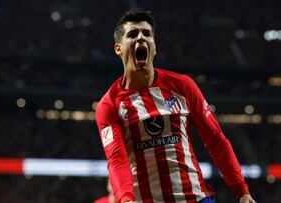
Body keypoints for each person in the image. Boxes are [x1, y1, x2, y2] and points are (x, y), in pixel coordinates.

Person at [95, 10, 256, 203]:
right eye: (132, 34)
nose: (141, 38)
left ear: (154, 47)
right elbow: (117, 159)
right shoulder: (109, 104)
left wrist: (242, 191)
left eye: (147, 34)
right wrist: (126, 199)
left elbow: (216, 140)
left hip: (196, 198)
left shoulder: (182, 86)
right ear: (118, 48)